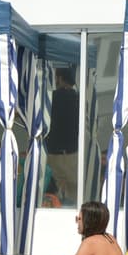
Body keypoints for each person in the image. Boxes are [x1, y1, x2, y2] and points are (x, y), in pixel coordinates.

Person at [48, 67, 79, 204]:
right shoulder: (79, 99)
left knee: (53, 190)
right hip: (73, 152)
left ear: (59, 78)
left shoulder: (52, 97)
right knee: (75, 192)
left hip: (54, 152)